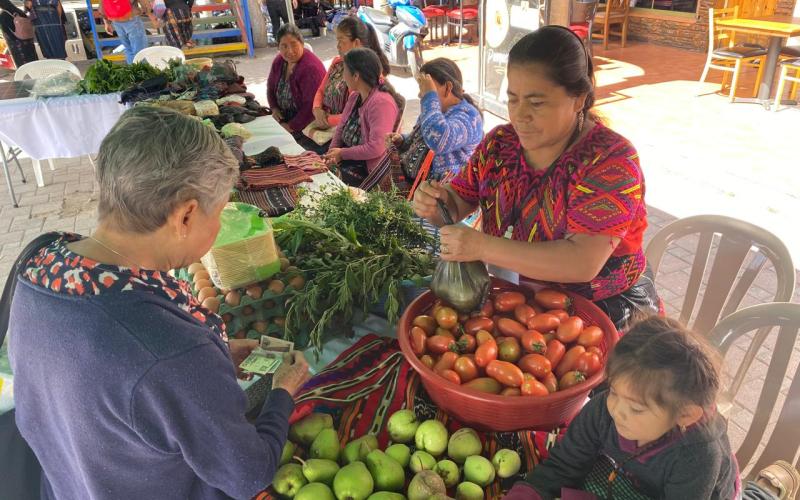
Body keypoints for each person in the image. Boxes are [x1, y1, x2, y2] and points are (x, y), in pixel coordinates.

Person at [8, 106, 311, 500]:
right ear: (185, 215)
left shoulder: (40, 261)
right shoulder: (169, 349)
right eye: (218, 212)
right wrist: (282, 393)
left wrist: (212, 355)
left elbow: (115, 388)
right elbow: (246, 474)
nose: (219, 227)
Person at [412, 26, 659, 331]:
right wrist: (436, 203)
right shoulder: (499, 144)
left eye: (536, 102)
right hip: (521, 301)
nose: (519, 115)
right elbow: (458, 201)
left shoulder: (609, 160)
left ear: (578, 99)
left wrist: (481, 247)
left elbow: (582, 262)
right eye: (513, 99)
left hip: (604, 312)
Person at [503, 316, 799, 500]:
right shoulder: (604, 410)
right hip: (631, 477)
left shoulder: (698, 456)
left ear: (686, 414)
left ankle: (765, 489)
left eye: (636, 408)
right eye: (614, 392)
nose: (616, 410)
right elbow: (562, 466)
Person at [386, 57, 483, 189]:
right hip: (416, 187)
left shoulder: (470, 117)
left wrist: (429, 96)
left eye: (426, 89)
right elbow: (421, 136)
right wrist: (403, 139)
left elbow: (439, 141)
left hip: (446, 197)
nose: (420, 95)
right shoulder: (434, 110)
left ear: (448, 88)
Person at [301, 16, 389, 155]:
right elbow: (321, 91)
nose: (337, 46)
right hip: (328, 131)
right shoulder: (337, 63)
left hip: (346, 138)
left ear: (356, 43)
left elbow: (355, 117)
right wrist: (317, 109)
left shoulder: (367, 78)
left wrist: (326, 121)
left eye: (341, 41)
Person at [325, 47, 400, 187]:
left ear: (356, 76)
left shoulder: (381, 103)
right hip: (350, 159)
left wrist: (342, 154)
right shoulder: (355, 96)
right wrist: (332, 154)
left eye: (345, 72)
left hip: (369, 170)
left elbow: (377, 147)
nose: (343, 77)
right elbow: (341, 129)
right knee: (317, 168)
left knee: (328, 184)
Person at [267, 24, 326, 135]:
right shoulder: (279, 61)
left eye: (294, 44)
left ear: (302, 43)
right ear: (278, 47)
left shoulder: (310, 68)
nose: (289, 51)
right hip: (285, 120)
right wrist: (274, 108)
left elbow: (310, 106)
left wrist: (291, 126)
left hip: (307, 125)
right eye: (284, 46)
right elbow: (270, 88)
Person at [0, 0, 37, 66]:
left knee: (23, 66)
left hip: (17, 45)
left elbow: (7, 31)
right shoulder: (19, 11)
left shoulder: (4, 14)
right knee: (33, 61)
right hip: (29, 41)